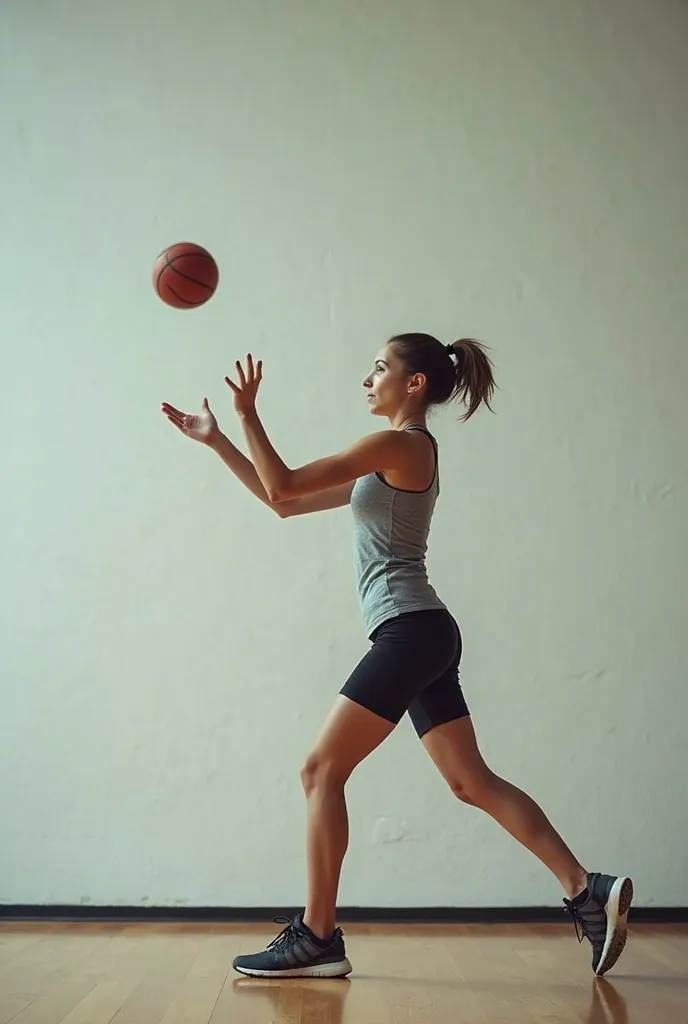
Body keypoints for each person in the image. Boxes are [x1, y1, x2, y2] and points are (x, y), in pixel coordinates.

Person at [161, 332, 633, 980]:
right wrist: (217, 440)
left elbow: (286, 478)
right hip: (423, 630)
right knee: (471, 782)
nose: (368, 379)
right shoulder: (392, 461)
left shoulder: (400, 444)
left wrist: (247, 414)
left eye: (379, 367)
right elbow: (284, 502)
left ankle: (318, 937)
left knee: (319, 771)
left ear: (414, 384)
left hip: (410, 631)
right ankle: (588, 889)